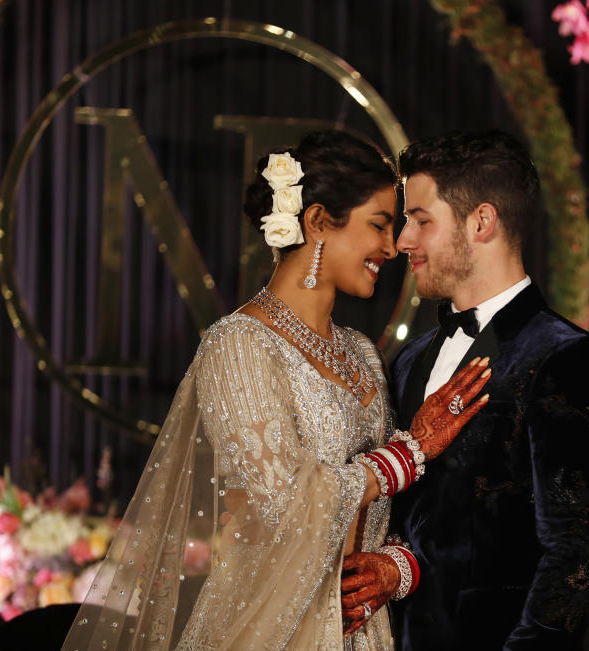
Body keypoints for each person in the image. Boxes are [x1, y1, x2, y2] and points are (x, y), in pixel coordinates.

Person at [60, 131, 491, 650]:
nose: (390, 246)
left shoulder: (362, 355)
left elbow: (390, 514)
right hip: (270, 628)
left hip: (361, 632)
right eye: (378, 225)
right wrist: (412, 450)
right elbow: (286, 502)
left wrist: (395, 566)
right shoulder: (239, 346)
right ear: (316, 222)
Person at [340, 131, 589, 649]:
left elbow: (576, 557)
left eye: (421, 221)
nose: (403, 241)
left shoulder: (570, 359)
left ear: (482, 222)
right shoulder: (407, 362)